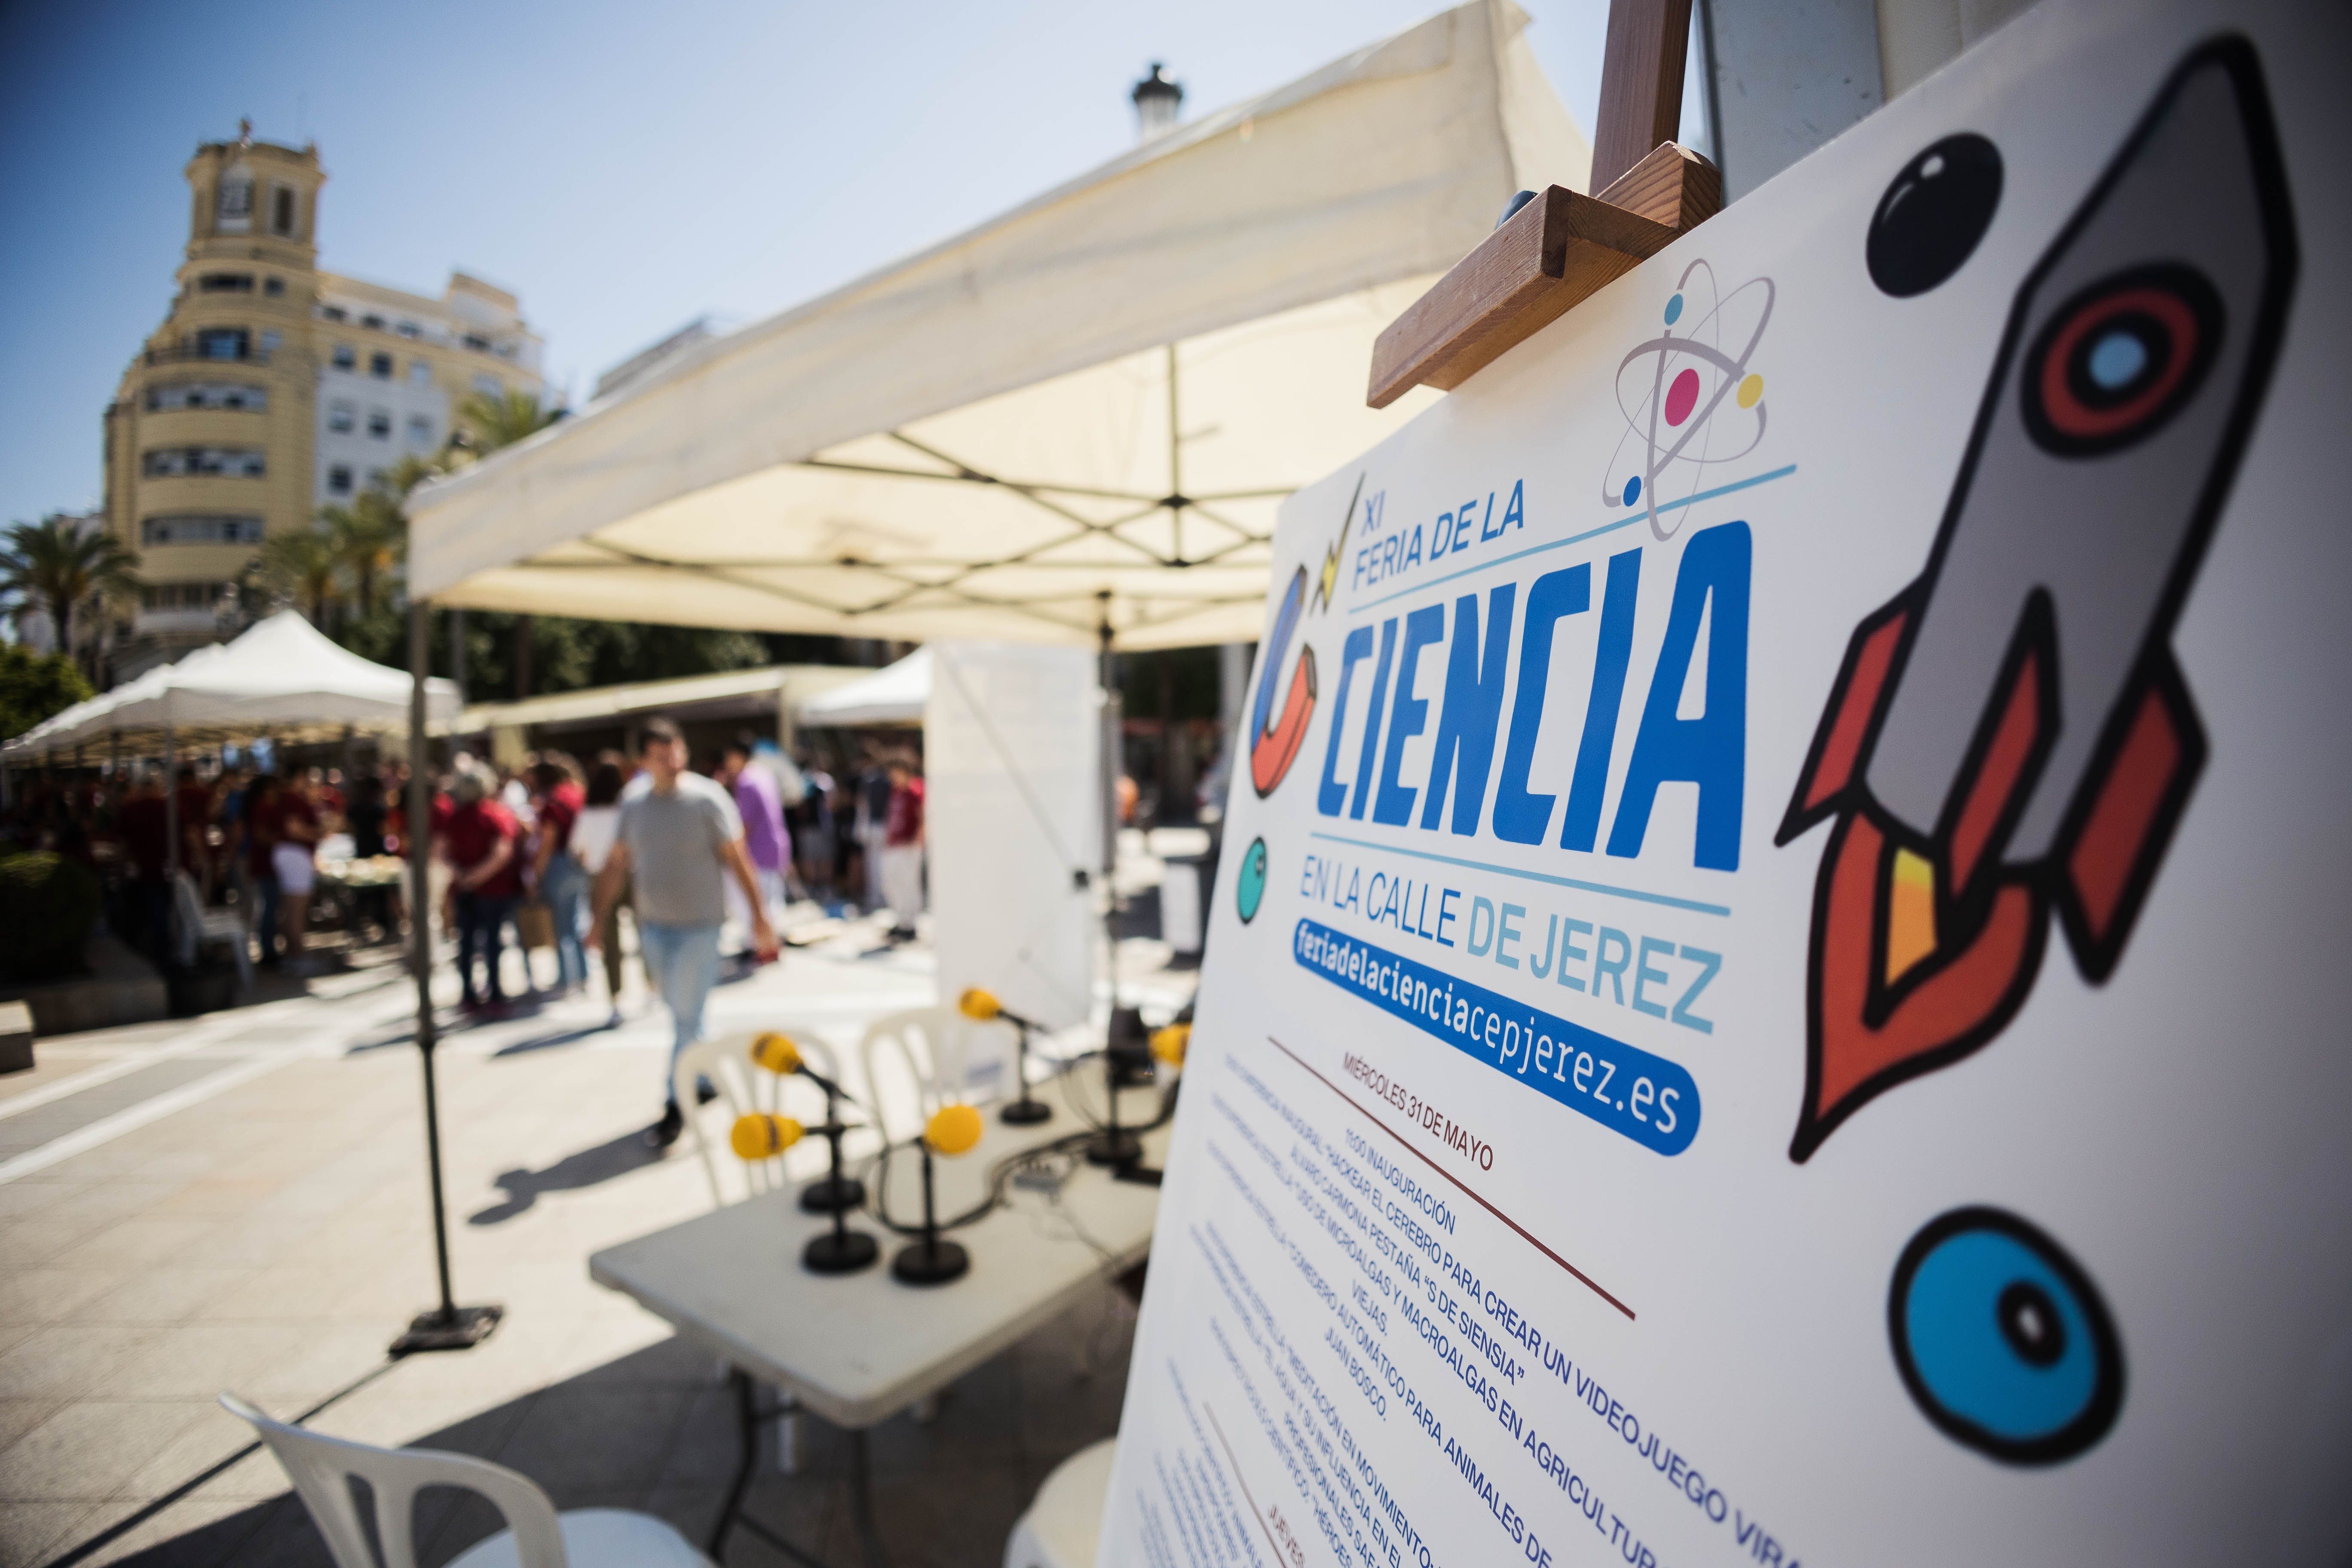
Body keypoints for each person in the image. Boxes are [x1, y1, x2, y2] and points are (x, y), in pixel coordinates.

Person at [589, 718, 778, 1147]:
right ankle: (706, 1073)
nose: (671, 763)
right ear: (643, 762)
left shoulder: (707, 799)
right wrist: (597, 920)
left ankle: (676, 1104)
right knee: (682, 1010)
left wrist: (760, 916)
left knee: (684, 1016)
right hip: (654, 927)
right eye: (660, 756)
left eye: (676, 753)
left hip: (701, 926)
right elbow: (617, 862)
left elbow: (737, 857)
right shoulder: (634, 805)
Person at [440, 764, 522, 1014]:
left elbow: (440, 853)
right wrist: (475, 877)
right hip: (491, 890)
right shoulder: (496, 814)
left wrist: (465, 876)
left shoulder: (457, 817)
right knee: (490, 944)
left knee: (467, 944)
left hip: (470, 888)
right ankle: (493, 993)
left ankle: (470, 995)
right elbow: (502, 853)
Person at [572, 756, 631, 1028]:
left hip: (600, 877)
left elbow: (579, 851)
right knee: (644, 930)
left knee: (610, 942)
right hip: (628, 876)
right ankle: (654, 986)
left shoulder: (587, 815)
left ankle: (615, 999)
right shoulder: (625, 811)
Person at [718, 732, 789, 953]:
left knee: (753, 903)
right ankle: (769, 945)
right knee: (771, 902)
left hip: (756, 852)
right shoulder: (763, 774)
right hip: (775, 847)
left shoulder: (747, 781)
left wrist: (731, 852)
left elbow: (745, 824)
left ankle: (759, 946)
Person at [528, 758, 589, 995]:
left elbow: (548, 842)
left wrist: (536, 874)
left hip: (559, 863)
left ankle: (567, 979)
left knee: (562, 925)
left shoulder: (553, 801)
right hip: (579, 862)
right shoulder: (578, 793)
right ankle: (582, 974)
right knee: (575, 921)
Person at [880, 751, 926, 940]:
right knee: (892, 883)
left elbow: (924, 817)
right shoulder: (896, 791)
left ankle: (910, 924)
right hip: (895, 844)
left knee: (908, 884)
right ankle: (900, 920)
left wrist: (918, 841)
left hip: (909, 845)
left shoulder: (917, 789)